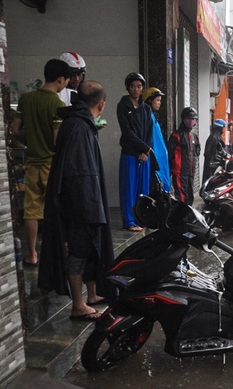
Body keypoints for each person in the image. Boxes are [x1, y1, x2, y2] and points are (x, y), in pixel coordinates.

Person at [38, 80, 114, 320]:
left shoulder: (78, 123)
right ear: (101, 105)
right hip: (81, 203)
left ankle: (92, 295)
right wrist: (91, 209)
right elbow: (80, 175)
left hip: (84, 200)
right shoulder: (79, 128)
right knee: (80, 251)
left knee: (91, 249)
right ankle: (78, 305)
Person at [12, 59, 71, 267]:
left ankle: (32, 255)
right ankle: (61, 248)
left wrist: (31, 142)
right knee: (57, 208)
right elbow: (57, 138)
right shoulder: (57, 104)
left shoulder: (26, 99)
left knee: (31, 211)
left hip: (31, 164)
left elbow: (15, 130)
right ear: (60, 79)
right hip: (51, 164)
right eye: (66, 81)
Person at [117, 72, 152, 231]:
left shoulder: (146, 108)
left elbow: (149, 131)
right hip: (130, 153)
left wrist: (146, 151)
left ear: (142, 88)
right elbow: (127, 131)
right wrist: (142, 147)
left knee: (142, 191)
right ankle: (129, 221)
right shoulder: (123, 105)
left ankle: (141, 219)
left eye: (139, 86)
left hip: (144, 156)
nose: (136, 89)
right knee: (128, 189)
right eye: (132, 86)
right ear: (127, 87)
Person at [168, 107, 201, 205]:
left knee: (190, 197)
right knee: (181, 198)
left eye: (193, 119)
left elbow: (197, 151)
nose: (191, 121)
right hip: (179, 172)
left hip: (190, 172)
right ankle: (180, 218)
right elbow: (170, 154)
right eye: (188, 119)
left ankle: (187, 217)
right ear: (183, 119)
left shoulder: (194, 136)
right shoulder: (176, 136)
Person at [142, 87, 171, 193]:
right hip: (154, 158)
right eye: (157, 100)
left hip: (159, 158)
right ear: (150, 100)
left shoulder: (153, 116)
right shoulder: (148, 116)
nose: (159, 103)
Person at [202, 118, 227, 183]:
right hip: (211, 166)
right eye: (223, 128)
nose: (223, 130)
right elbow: (207, 152)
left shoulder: (217, 136)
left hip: (215, 164)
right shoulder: (213, 137)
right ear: (220, 128)